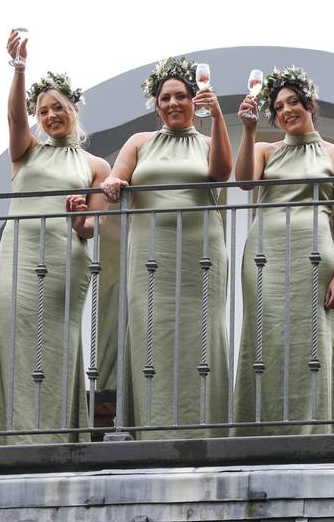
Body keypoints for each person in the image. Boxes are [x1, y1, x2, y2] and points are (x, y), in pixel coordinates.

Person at [0, 31, 110, 444]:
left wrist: (79, 223)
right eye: (43, 110)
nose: (51, 115)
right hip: (18, 258)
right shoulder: (26, 152)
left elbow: (94, 225)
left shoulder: (96, 165)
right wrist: (19, 68)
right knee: (11, 335)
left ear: (73, 110)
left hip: (62, 262)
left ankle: (55, 438)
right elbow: (12, 120)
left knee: (54, 348)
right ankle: (14, 438)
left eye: (58, 107)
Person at [102, 56, 232, 439]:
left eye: (181, 96)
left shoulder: (208, 141)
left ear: (194, 101)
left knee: (202, 338)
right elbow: (116, 177)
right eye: (165, 98)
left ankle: (205, 430)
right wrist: (112, 184)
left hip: (200, 257)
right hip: (151, 257)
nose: (173, 103)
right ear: (157, 107)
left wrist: (220, 117)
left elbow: (222, 174)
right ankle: (154, 429)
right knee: (151, 336)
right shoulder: (139, 142)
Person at [233, 66, 334, 435]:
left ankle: (316, 430)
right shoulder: (264, 150)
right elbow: (243, 182)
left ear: (309, 104)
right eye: (279, 106)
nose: (287, 110)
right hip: (265, 254)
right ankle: (261, 431)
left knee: (312, 339)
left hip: (313, 256)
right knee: (266, 337)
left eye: (294, 102)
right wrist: (250, 129)